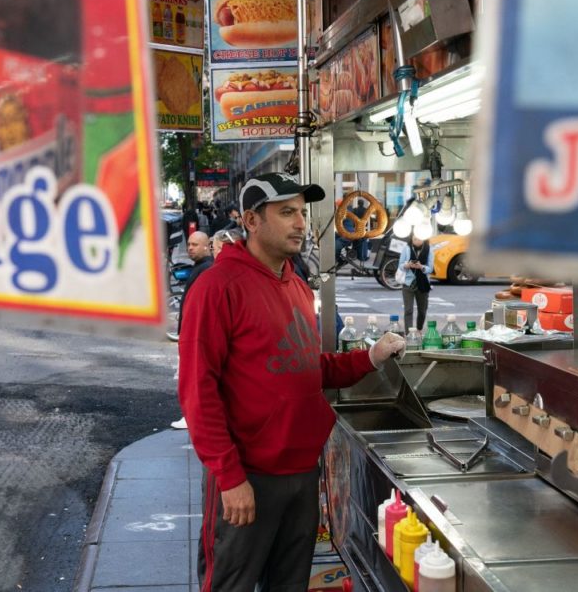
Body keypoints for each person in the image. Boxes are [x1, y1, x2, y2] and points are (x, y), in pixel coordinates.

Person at [178, 172, 405, 591]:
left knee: (290, 584)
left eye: (302, 212)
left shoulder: (297, 286)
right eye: (286, 213)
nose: (301, 223)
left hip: (301, 475)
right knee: (232, 584)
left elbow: (305, 367)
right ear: (251, 220)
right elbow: (197, 391)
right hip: (249, 476)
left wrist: (370, 358)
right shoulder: (217, 287)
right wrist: (230, 478)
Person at [170, 231, 214, 430]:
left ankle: (191, 416)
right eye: (189, 244)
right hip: (191, 334)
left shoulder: (206, 269)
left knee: (191, 378)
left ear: (207, 247)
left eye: (195, 245)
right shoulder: (201, 267)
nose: (190, 248)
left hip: (195, 336)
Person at [399, 235, 434, 331]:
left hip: (422, 283)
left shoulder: (429, 249)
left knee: (422, 310)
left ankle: (419, 329)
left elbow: (430, 268)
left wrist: (421, 267)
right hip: (408, 283)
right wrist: (407, 265)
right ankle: (409, 333)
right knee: (408, 310)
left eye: (419, 238)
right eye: (414, 239)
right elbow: (400, 265)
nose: (417, 241)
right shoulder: (406, 248)